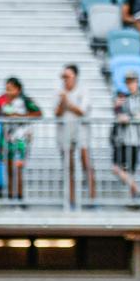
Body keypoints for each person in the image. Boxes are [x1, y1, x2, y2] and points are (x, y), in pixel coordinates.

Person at [57, 64, 94, 205]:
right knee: (69, 166)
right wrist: (63, 101)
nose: (65, 79)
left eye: (67, 76)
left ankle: (92, 199)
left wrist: (67, 102)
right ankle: (71, 199)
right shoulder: (59, 91)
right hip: (65, 132)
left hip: (82, 131)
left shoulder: (84, 90)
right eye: (63, 76)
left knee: (87, 164)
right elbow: (57, 113)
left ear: (75, 76)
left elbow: (82, 111)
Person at [112, 71, 140, 197]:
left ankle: (134, 198)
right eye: (128, 82)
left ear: (137, 81)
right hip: (122, 138)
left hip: (137, 139)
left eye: (132, 81)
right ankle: (137, 191)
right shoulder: (122, 96)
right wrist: (118, 108)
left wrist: (130, 117)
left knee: (131, 171)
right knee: (116, 168)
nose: (130, 85)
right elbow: (118, 114)